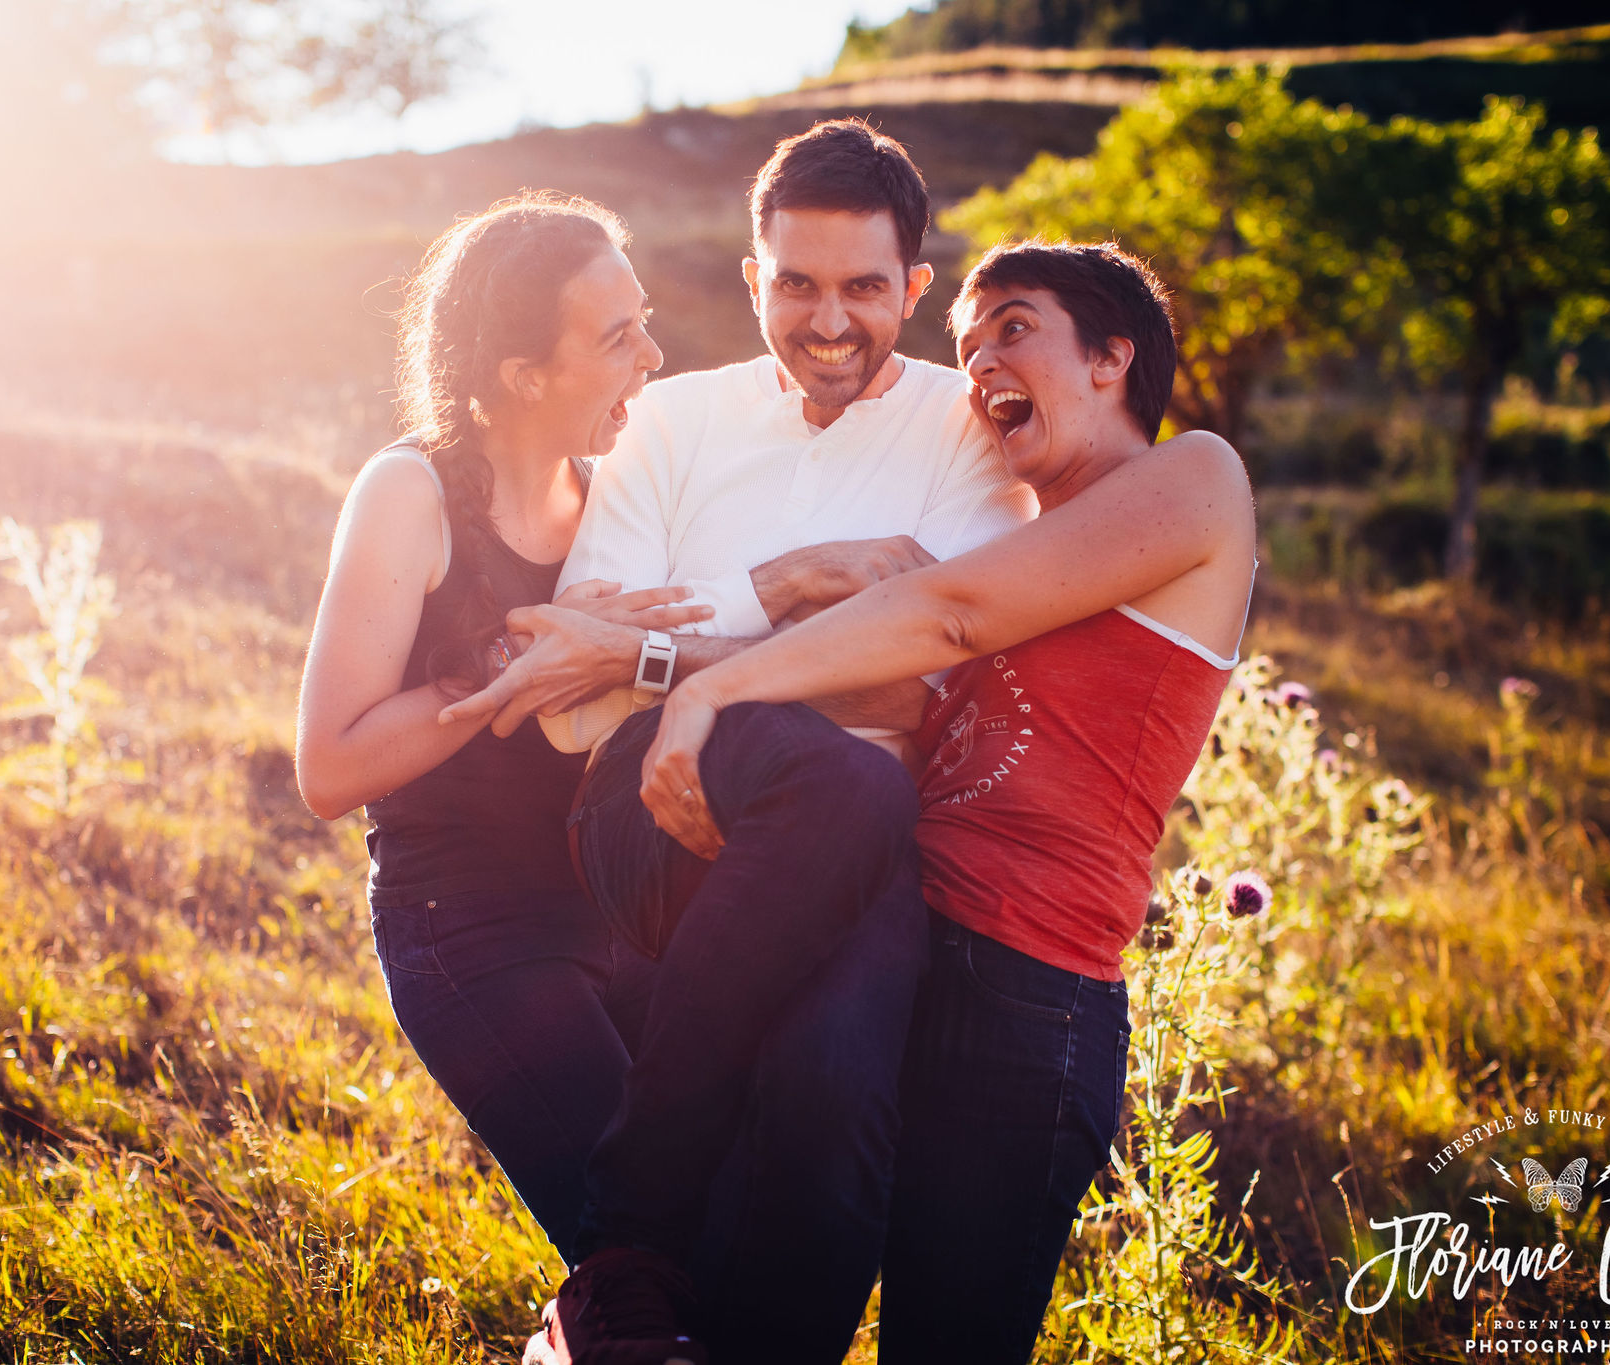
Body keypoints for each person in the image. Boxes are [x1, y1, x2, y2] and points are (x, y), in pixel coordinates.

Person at [444, 120, 1035, 1364]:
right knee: (851, 776)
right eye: (798, 286)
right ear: (754, 279)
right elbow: (571, 700)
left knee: (830, 1091)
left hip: (859, 827)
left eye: (864, 288)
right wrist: (797, 593)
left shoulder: (968, 436)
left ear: (913, 289)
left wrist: (664, 659)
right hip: (652, 817)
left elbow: (934, 681)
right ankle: (640, 1223)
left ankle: (634, 1269)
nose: (829, 322)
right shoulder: (667, 422)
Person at [636, 239, 1259, 1365]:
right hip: (898, 942)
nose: (978, 367)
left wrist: (718, 685)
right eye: (966, 350)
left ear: (1113, 355)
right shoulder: (1022, 544)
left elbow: (950, 615)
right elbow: (897, 678)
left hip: (1028, 990)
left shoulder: (1194, 479)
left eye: (1011, 330)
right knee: (771, 1308)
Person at [293, 192, 704, 1258]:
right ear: (521, 376)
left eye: (643, 319)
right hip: (471, 928)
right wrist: (511, 659)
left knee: (729, 1227)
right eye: (616, 339)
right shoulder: (410, 495)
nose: (651, 356)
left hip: (622, 913)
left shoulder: (624, 491)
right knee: (645, 1250)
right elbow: (330, 768)